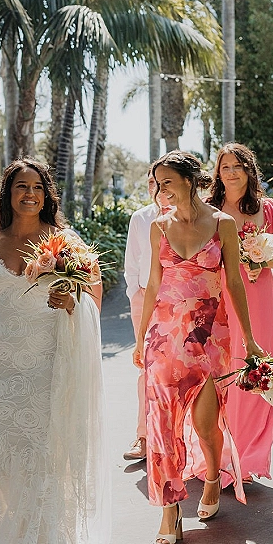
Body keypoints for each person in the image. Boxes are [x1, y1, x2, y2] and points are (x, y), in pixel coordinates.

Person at [0, 159, 110, 544]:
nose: (29, 194)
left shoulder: (64, 242)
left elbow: (95, 297)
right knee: (6, 460)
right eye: (20, 187)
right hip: (4, 367)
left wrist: (73, 300)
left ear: (48, 195)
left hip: (48, 363)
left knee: (45, 456)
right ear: (7, 194)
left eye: (37, 188)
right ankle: (16, 537)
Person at [133, 152, 264, 544]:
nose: (161, 190)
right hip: (165, 337)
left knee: (207, 425)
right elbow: (153, 286)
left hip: (210, 336)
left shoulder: (222, 224)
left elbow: (235, 284)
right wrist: (140, 340)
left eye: (167, 181)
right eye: (157, 183)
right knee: (163, 425)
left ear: (190, 181)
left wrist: (252, 339)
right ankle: (170, 510)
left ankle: (210, 474)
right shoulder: (157, 227)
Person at [208, 142, 273, 481]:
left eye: (237, 166)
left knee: (258, 373)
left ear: (249, 170)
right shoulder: (209, 209)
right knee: (223, 374)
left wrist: (262, 260)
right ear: (218, 172)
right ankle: (220, 455)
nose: (231, 172)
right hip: (221, 299)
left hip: (261, 300)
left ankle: (247, 459)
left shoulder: (268, 208)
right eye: (225, 166)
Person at [123, 168, 158, 461]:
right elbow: (131, 261)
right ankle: (143, 436)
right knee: (146, 369)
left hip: (182, 302)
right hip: (145, 297)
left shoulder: (194, 216)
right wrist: (135, 293)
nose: (155, 187)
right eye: (151, 182)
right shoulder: (141, 217)